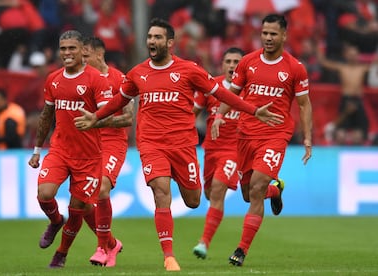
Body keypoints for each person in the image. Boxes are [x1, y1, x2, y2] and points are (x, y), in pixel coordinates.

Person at [74, 17, 284, 271]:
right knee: (161, 192)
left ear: (170, 42)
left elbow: (221, 94)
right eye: (150, 36)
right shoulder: (138, 73)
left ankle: (272, 190)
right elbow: (119, 100)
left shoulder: (189, 70)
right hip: (151, 144)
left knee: (195, 200)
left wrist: (253, 110)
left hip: (183, 146)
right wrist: (96, 116)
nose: (152, 41)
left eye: (157, 37)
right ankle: (169, 256)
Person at [211, 13, 312, 267]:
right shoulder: (247, 63)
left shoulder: (295, 68)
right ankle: (275, 190)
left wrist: (308, 138)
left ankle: (241, 250)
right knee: (248, 194)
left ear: (284, 36)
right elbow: (232, 93)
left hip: (275, 135)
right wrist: (219, 116)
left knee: (255, 189)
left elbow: (304, 104)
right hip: (245, 134)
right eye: (265, 33)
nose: (267, 37)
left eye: (273, 33)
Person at [28, 30, 111, 268]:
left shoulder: (96, 79)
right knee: (45, 194)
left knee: (77, 208)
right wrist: (36, 149)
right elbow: (46, 115)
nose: (67, 53)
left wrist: (94, 119)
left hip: (88, 156)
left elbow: (108, 113)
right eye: (63, 48)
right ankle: (55, 221)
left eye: (72, 48)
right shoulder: (53, 79)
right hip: (60, 150)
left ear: (82, 51)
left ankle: (61, 253)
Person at [81, 36, 134, 267]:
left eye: (86, 56)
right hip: (86, 144)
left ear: (99, 55)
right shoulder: (81, 80)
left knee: (102, 188)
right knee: (82, 201)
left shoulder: (120, 79)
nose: (81, 61)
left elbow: (128, 118)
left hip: (112, 142)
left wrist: (97, 122)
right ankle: (111, 244)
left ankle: (101, 248)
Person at [191, 47, 244, 259]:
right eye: (229, 61)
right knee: (210, 193)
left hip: (235, 149)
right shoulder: (211, 86)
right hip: (210, 150)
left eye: (237, 62)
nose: (232, 65)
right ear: (222, 64)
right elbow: (192, 114)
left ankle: (203, 242)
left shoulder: (248, 89)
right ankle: (273, 190)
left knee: (219, 189)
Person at [317, 43, 370, 145]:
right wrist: (318, 46)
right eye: (350, 54)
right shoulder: (342, 68)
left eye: (355, 54)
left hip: (358, 101)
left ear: (358, 55)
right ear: (346, 56)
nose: (353, 57)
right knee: (340, 134)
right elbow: (323, 62)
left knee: (359, 135)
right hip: (346, 100)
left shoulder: (363, 68)